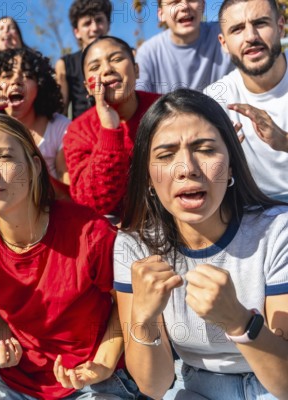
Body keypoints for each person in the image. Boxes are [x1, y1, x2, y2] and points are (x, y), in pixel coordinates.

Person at [114, 89, 288, 399]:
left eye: (205, 149)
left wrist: (239, 321)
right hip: (197, 388)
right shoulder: (134, 245)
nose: (187, 168)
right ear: (149, 178)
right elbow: (153, 386)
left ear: (232, 164)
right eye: (166, 155)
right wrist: (143, 316)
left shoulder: (278, 230)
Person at [0, 113, 139, 400]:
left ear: (34, 166)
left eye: (3, 156)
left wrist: (103, 363)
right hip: (13, 384)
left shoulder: (89, 232)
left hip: (92, 385)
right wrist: (2, 336)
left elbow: (127, 304)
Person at [64, 36, 160, 220]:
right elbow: (92, 203)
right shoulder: (79, 131)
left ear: (136, 69)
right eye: (94, 67)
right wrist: (109, 130)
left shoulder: (165, 109)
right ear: (88, 88)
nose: (107, 69)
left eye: (116, 59)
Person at [204, 0, 288, 202]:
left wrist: (284, 141)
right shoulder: (215, 100)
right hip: (255, 213)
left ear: (280, 28)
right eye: (237, 29)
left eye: (260, 23)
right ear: (223, 43)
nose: (250, 37)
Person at [0, 47, 70, 183]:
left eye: (27, 75)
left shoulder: (60, 127)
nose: (16, 80)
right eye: (7, 75)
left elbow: (67, 191)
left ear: (40, 86)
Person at [135, 0, 234, 94]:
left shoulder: (228, 34)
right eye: (174, 2)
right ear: (161, 14)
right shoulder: (148, 54)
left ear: (203, 5)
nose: (184, 7)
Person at [55, 0, 112, 119]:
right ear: (77, 32)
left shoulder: (128, 56)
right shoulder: (65, 65)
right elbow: (60, 111)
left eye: (99, 20)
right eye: (87, 23)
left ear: (108, 24)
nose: (95, 28)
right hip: (83, 133)